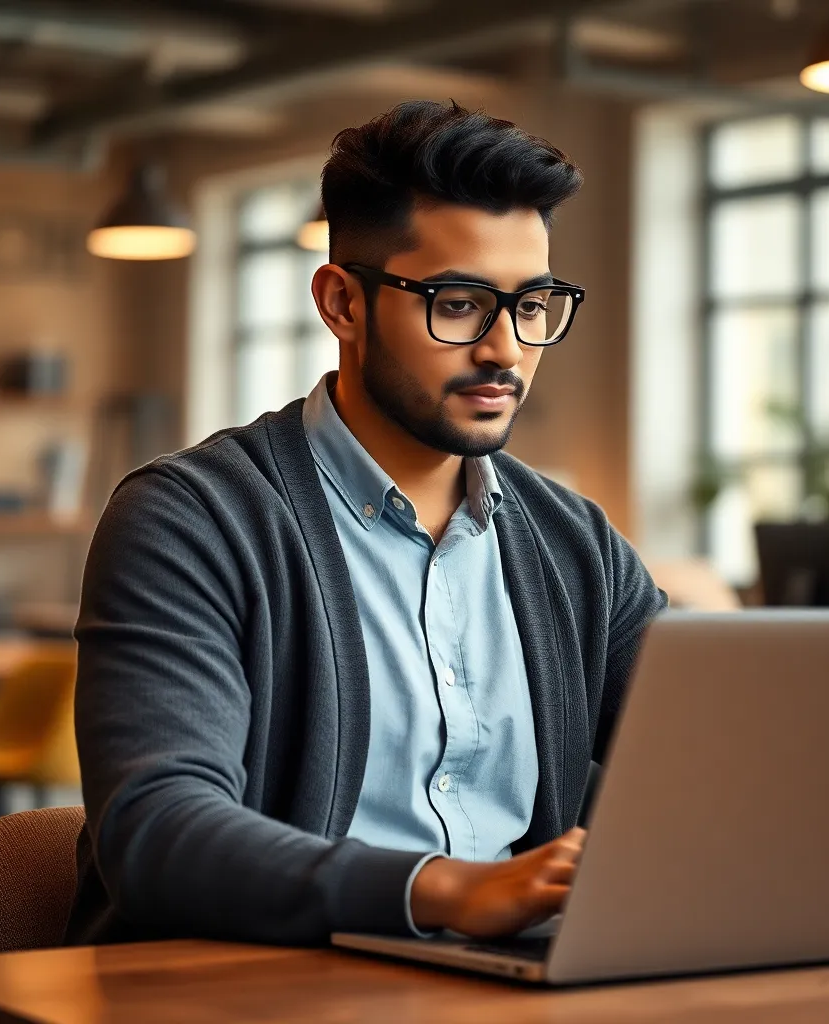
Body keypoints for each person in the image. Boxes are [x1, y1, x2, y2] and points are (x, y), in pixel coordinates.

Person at [66, 100, 666, 946]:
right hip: (245, 993)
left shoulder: (577, 545)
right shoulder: (189, 519)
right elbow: (158, 833)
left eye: (532, 305)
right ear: (343, 304)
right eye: (458, 303)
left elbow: (718, 765)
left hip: (509, 993)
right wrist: (446, 892)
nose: (504, 349)